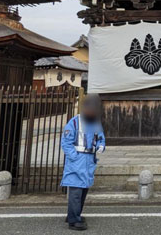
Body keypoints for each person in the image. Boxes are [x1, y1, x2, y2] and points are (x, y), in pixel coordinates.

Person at [61, 94, 106, 231]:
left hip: (89, 160)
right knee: (75, 190)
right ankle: (74, 221)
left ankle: (74, 215)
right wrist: (74, 157)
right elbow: (66, 142)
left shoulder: (97, 123)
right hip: (78, 160)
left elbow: (101, 139)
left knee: (84, 189)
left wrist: (101, 146)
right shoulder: (74, 122)